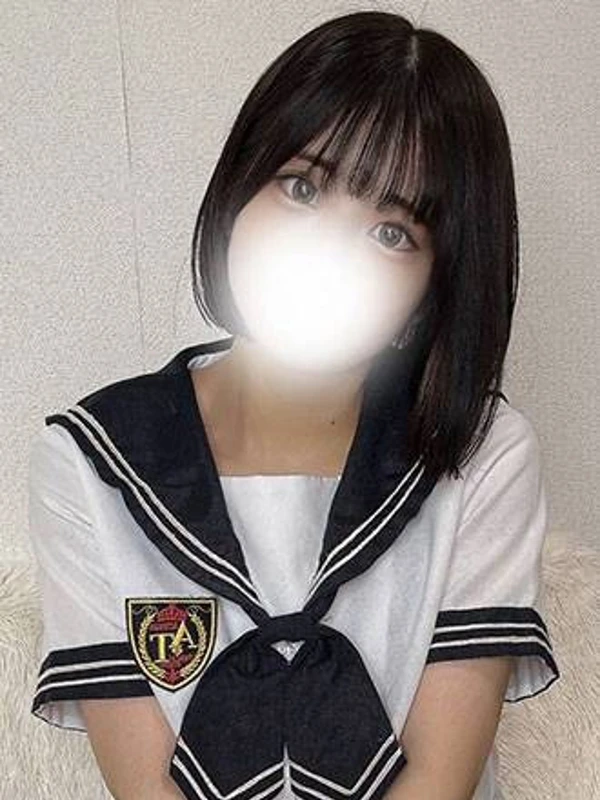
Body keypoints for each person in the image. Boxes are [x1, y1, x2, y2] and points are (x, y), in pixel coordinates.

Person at [27, 10, 560, 800]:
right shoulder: (93, 462)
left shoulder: (481, 451)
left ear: (434, 286)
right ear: (240, 186)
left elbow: (439, 785)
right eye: (302, 187)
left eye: (392, 232)